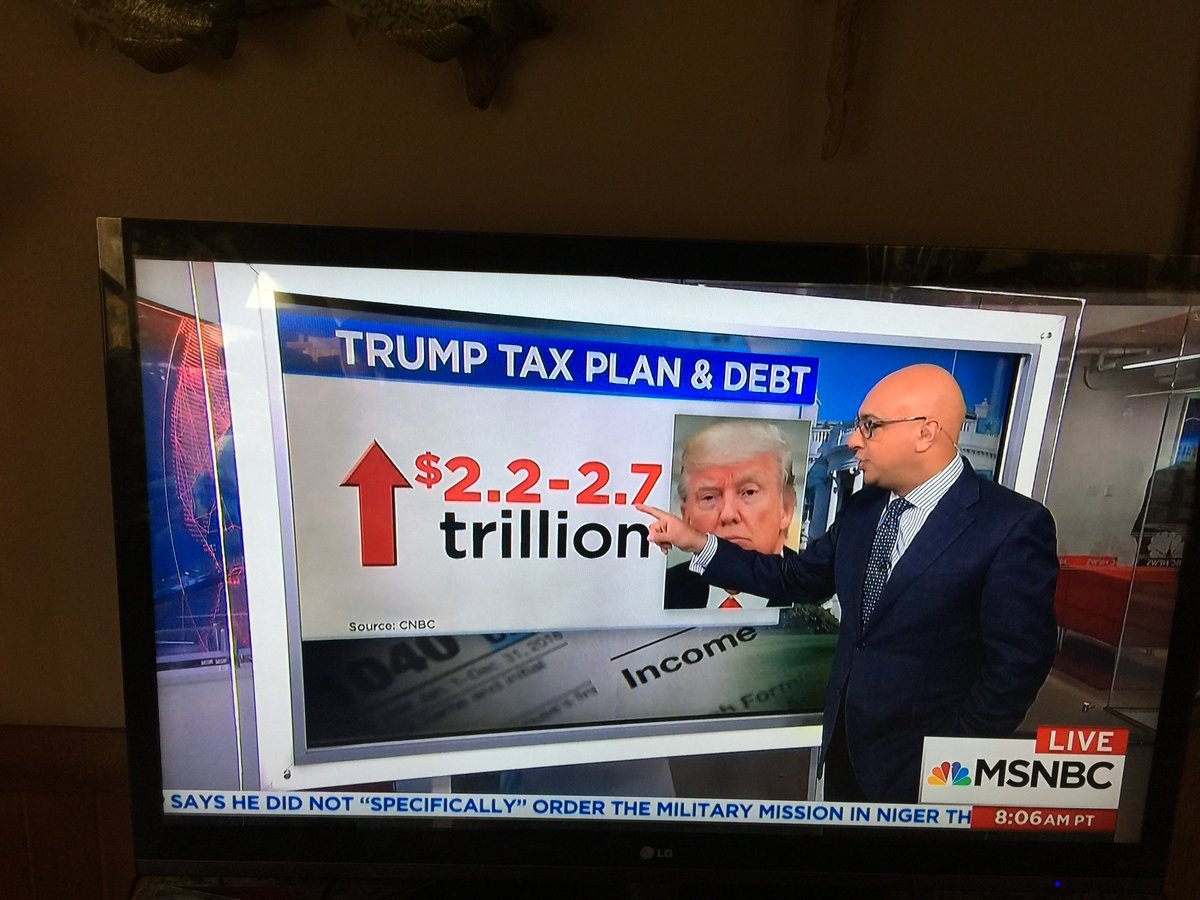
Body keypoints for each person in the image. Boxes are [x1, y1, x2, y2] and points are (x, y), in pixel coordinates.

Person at [639, 364, 1058, 803]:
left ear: (925, 433)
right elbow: (795, 579)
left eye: (870, 426)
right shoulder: (864, 509)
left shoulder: (1011, 525)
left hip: (930, 774)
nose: (854, 439)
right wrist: (696, 542)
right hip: (844, 753)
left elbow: (1018, 667)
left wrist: (949, 757)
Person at [663, 419, 798, 609]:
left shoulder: (816, 593)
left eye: (749, 492)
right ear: (686, 517)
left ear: (786, 508)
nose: (727, 515)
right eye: (709, 497)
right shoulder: (663, 591)